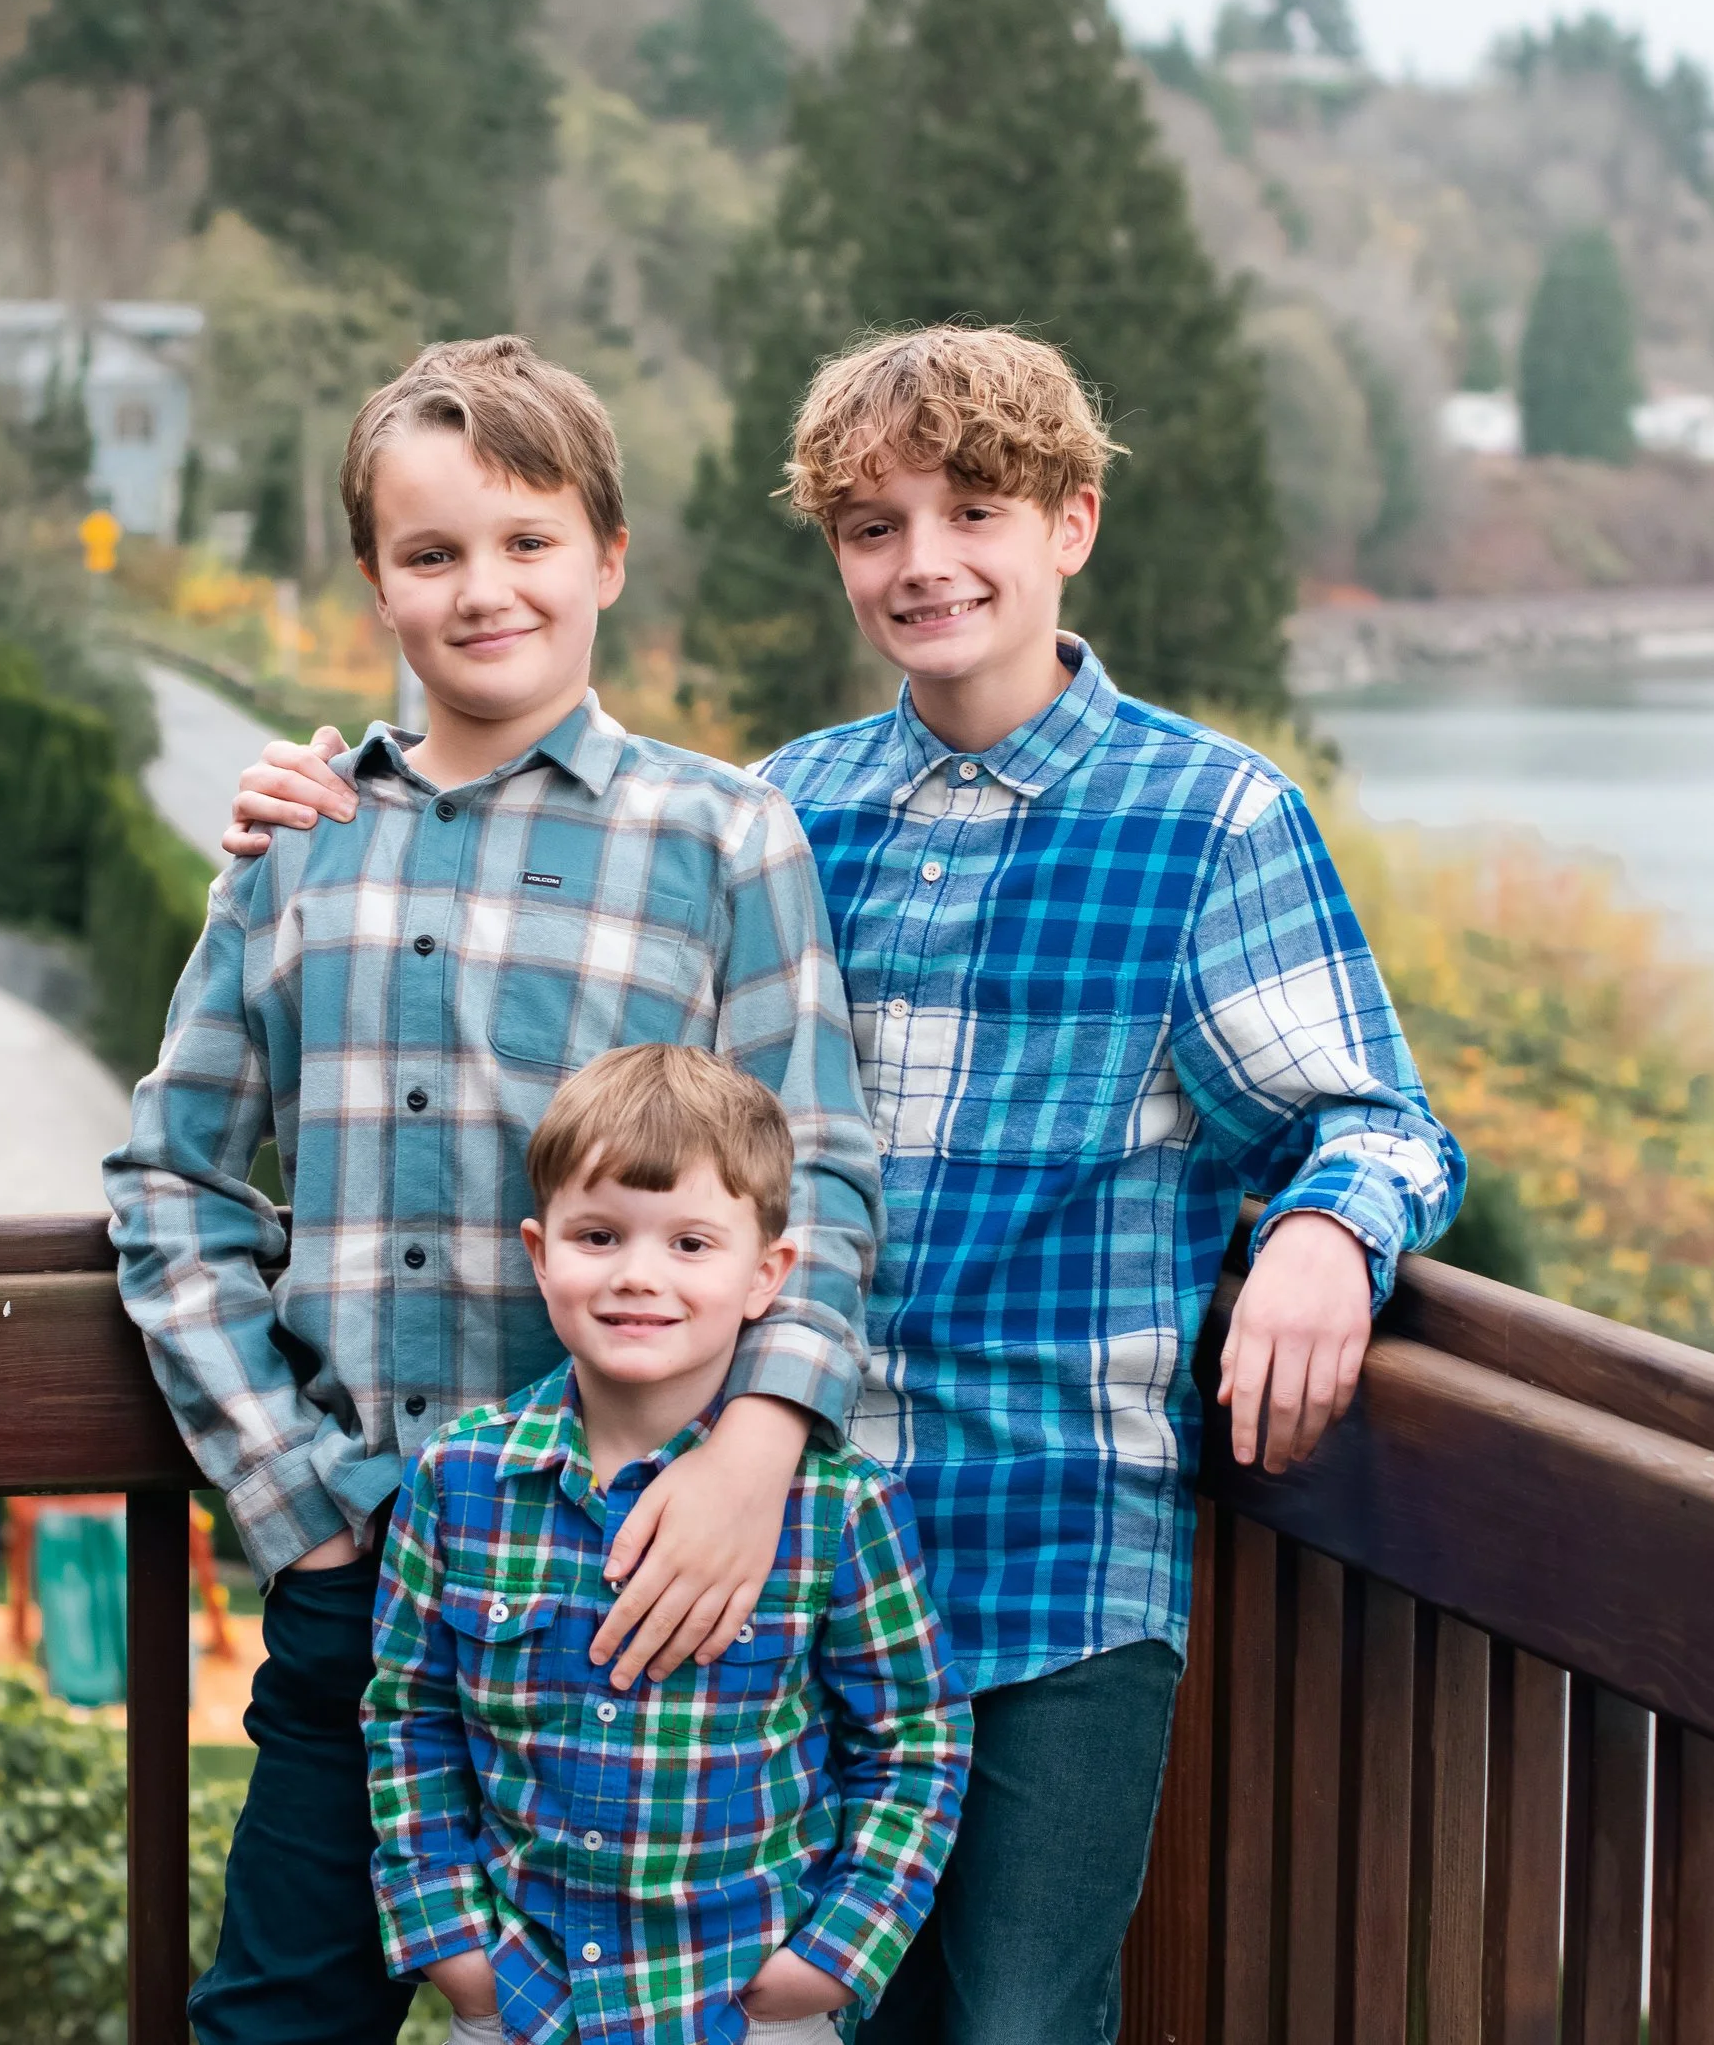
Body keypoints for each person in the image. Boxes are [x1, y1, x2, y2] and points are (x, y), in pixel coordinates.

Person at [233, 323, 1465, 2043]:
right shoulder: (790, 807)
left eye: (975, 510)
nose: (925, 560)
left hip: (1049, 1544)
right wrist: (331, 801)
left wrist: (1331, 1228)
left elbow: (1381, 1115)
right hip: (777, 1537)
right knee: (788, 2007)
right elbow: (610, 1010)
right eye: (875, 525)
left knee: (1018, 2015)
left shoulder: (1213, 817)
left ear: (1073, 524)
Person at [105, 335, 883, 2045]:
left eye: (530, 541)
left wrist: (759, 1445)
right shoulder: (298, 841)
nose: (485, 589)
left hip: (652, 1592)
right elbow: (170, 1181)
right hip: (369, 1581)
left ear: (608, 556)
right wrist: (294, 1492)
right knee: (272, 2018)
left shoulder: (721, 839)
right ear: (375, 578)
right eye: (433, 551)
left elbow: (820, 1165)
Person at [368, 1043, 967, 2044]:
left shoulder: (840, 1507)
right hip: (524, 2000)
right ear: (539, 1250)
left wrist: (831, 1957)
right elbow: (407, 1720)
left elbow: (916, 1743)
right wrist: (455, 1949)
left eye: (691, 1243)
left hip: (744, 2003)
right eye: (599, 1235)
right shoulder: (457, 1480)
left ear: (766, 1273)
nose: (638, 1275)